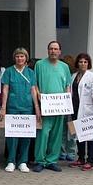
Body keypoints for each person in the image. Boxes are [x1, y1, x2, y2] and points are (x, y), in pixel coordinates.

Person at [32, 41, 71, 173]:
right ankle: (40, 160)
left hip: (59, 107)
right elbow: (35, 84)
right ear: (48, 50)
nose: (53, 51)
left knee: (56, 135)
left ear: (60, 51)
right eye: (51, 49)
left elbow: (67, 86)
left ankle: (52, 160)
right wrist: (39, 98)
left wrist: (66, 101)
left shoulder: (65, 67)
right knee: (43, 134)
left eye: (56, 49)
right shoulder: (39, 65)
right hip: (45, 106)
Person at [0, 48, 38, 173]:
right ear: (14, 58)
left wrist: (37, 108)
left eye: (22, 56)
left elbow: (33, 90)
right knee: (12, 135)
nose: (19, 59)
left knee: (26, 135)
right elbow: (5, 89)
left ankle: (23, 161)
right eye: (17, 56)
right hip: (12, 107)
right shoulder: (9, 72)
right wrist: (3, 107)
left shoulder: (31, 73)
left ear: (26, 58)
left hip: (27, 107)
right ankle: (11, 161)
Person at [67, 53, 93, 171]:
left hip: (88, 109)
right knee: (79, 135)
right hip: (75, 108)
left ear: (89, 64)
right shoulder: (73, 76)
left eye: (85, 62)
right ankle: (81, 158)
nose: (83, 64)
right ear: (77, 63)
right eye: (81, 62)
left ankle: (90, 161)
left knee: (90, 136)